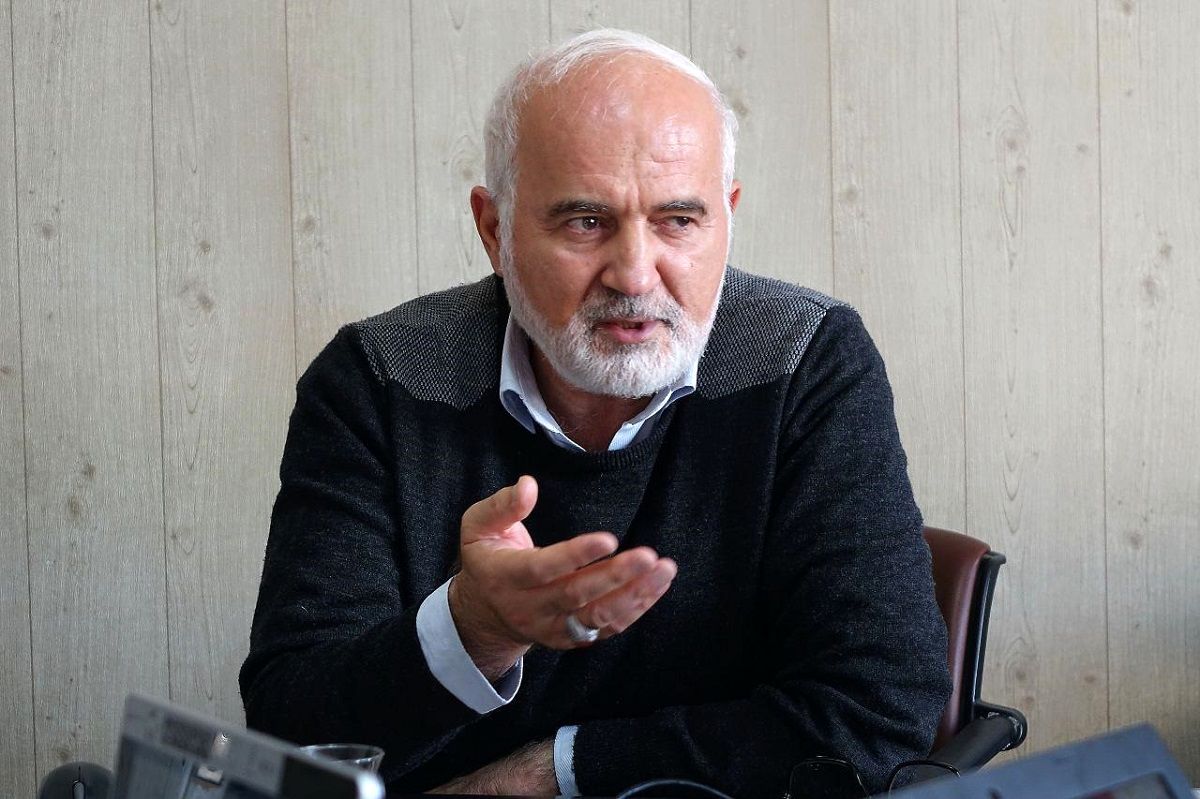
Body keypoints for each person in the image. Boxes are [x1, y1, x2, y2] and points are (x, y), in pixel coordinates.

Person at [239, 28, 950, 798]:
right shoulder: (380, 378)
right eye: (585, 222)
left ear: (727, 218)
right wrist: (473, 630)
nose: (635, 274)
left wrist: (554, 771)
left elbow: (878, 712)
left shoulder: (806, 359)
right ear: (494, 231)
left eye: (679, 220)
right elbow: (296, 731)